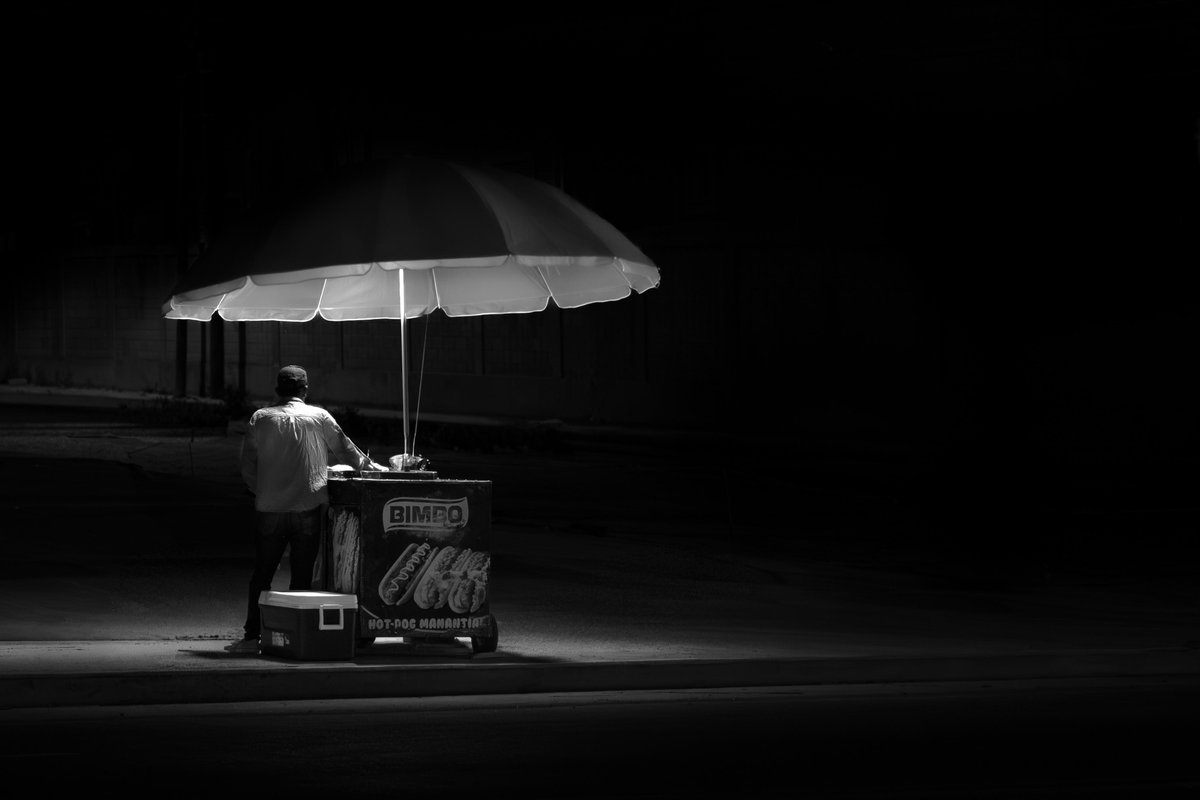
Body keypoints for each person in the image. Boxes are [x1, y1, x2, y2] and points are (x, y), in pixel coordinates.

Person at [226, 365, 384, 654]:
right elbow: (348, 451)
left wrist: (260, 490)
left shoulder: (260, 418)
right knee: (302, 576)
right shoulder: (319, 416)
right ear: (305, 389)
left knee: (262, 572)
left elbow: (248, 465)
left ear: (278, 390)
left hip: (269, 509)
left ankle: (252, 635)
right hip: (308, 508)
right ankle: (297, 635)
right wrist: (376, 469)